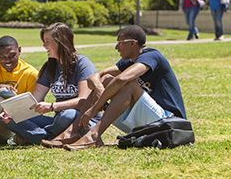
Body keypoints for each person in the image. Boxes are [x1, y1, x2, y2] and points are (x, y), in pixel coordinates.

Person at [50, 24, 187, 150]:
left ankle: (93, 136)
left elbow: (122, 79)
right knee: (106, 80)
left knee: (129, 85)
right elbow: (94, 77)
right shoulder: (127, 62)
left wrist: (95, 108)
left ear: (132, 43)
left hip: (168, 122)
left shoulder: (151, 55)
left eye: (119, 43)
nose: (116, 47)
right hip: (145, 123)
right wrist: (99, 87)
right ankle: (72, 132)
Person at [3, 22, 99, 146]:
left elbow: (83, 101)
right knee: (11, 119)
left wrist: (53, 106)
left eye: (47, 41)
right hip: (58, 122)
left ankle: (40, 137)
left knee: (68, 114)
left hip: (84, 121)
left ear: (60, 42)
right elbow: (34, 99)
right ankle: (53, 139)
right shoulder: (50, 67)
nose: (44, 45)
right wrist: (14, 111)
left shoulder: (83, 64)